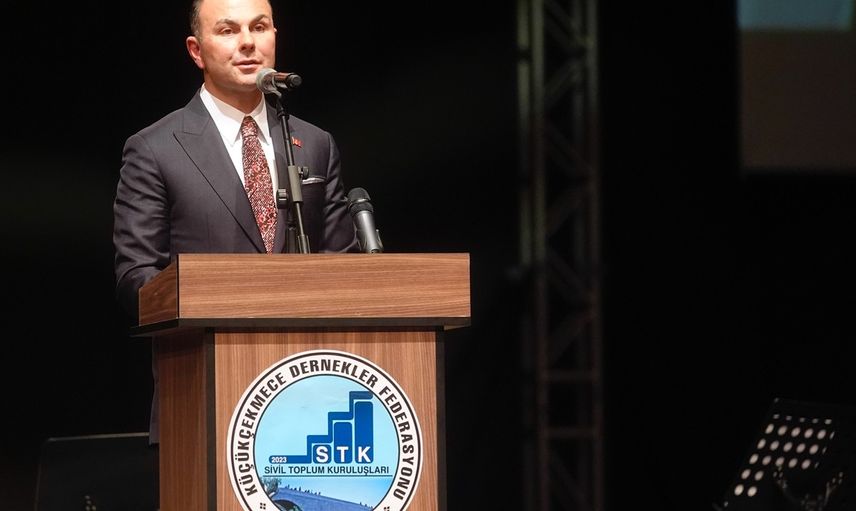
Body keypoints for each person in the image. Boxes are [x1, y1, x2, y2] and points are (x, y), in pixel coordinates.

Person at [112, 0, 358, 443]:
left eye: (259, 27)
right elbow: (137, 278)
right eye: (228, 31)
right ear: (196, 50)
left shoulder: (314, 143)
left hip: (311, 397)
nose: (247, 42)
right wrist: (226, 293)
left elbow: (343, 266)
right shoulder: (155, 149)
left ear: (275, 36)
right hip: (203, 395)